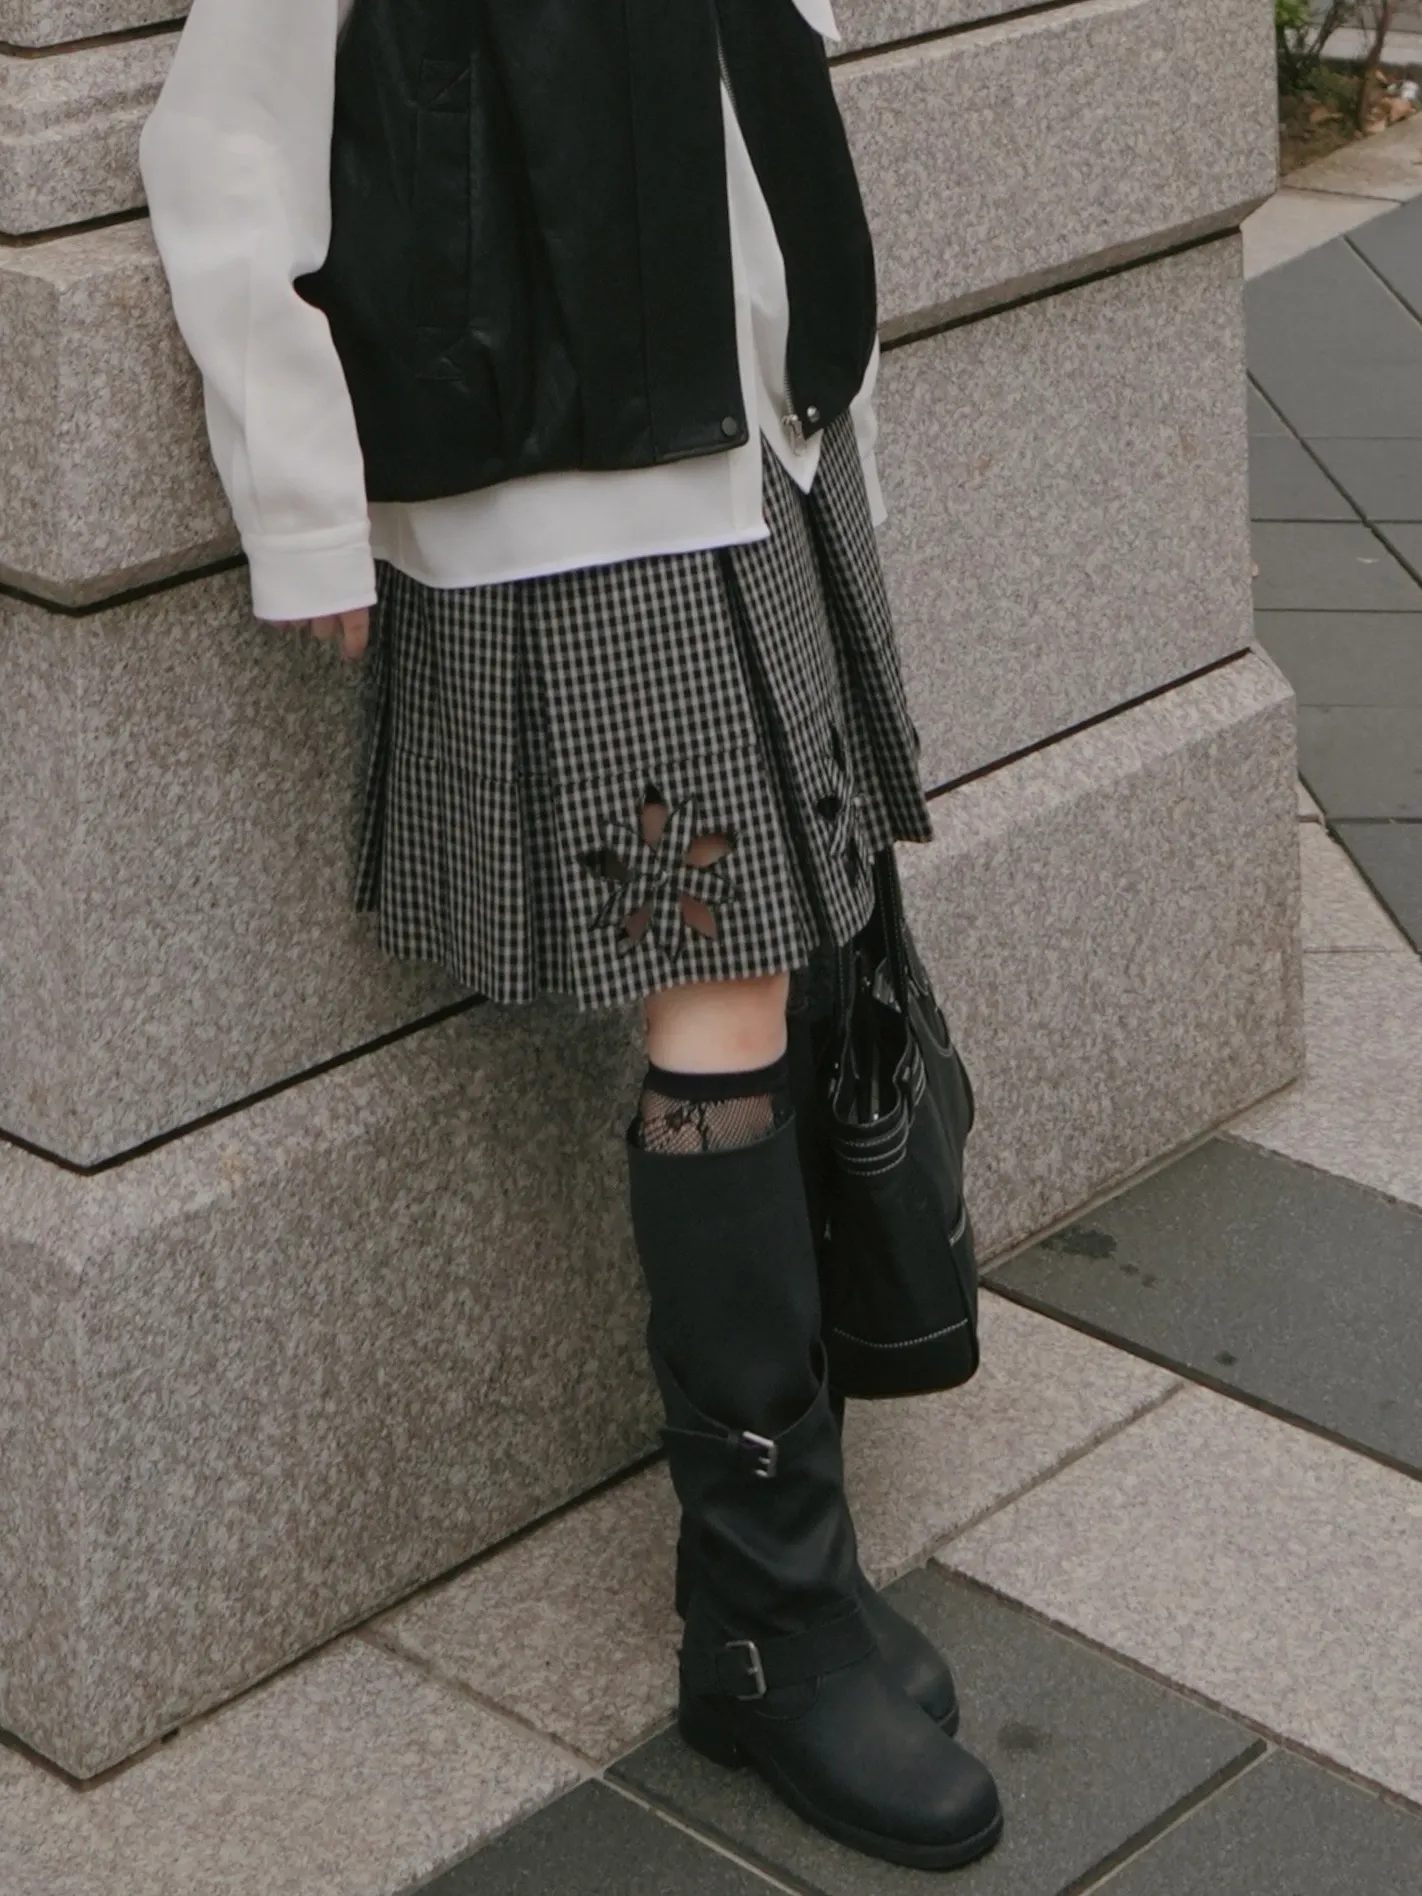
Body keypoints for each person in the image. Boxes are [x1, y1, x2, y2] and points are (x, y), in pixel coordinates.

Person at [140, 0, 1003, 1870]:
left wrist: (833, 391)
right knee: (724, 990)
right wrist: (302, 506)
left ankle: (778, 1594)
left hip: (757, 441)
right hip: (569, 481)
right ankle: (767, 1616)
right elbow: (221, 148)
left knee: (794, 939)